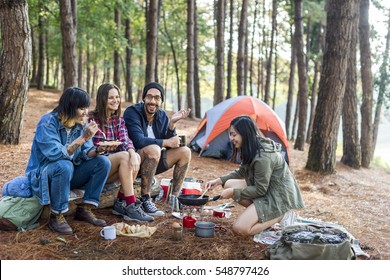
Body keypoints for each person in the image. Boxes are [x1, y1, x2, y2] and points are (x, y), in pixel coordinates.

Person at [25, 87, 112, 235]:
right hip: (45, 176)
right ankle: (56, 215)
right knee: (64, 165)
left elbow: (85, 153)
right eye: (82, 108)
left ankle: (85, 209)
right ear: (70, 107)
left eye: (86, 108)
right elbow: (56, 155)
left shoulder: (79, 123)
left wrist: (98, 150)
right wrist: (83, 137)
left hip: (67, 174)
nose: (86, 112)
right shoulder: (47, 122)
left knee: (103, 162)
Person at [205, 115, 304, 236]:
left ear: (245, 134)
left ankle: (280, 215)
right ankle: (262, 214)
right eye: (230, 134)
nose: (231, 138)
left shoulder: (263, 157)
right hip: (267, 189)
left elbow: (260, 190)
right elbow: (242, 171)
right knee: (228, 183)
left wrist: (233, 192)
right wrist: (219, 180)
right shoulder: (252, 147)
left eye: (234, 135)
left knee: (240, 229)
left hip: (278, 197)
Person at [123, 82, 191, 215]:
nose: (152, 101)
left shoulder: (162, 116)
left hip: (152, 163)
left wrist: (171, 124)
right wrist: (166, 142)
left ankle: (174, 198)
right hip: (133, 162)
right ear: (143, 98)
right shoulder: (132, 112)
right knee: (154, 148)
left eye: (157, 98)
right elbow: (139, 140)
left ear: (161, 101)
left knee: (185, 152)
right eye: (149, 97)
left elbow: (171, 142)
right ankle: (145, 199)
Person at [89, 83, 153, 222]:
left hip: (111, 170)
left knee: (133, 155)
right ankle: (131, 204)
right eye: (111, 97)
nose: (115, 100)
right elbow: (88, 149)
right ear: (102, 99)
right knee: (126, 156)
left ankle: (120, 202)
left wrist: (133, 154)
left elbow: (125, 140)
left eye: (117, 97)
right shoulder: (91, 119)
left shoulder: (118, 120)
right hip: (95, 168)